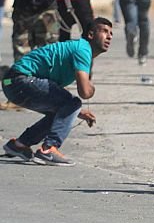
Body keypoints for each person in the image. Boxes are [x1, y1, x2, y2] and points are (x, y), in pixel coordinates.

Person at [2, 18, 113, 166]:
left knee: (63, 109)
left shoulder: (80, 49)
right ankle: (48, 149)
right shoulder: (83, 49)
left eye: (111, 33)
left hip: (12, 83)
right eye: (104, 31)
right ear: (91, 34)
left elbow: (55, 92)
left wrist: (76, 111)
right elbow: (85, 92)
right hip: (20, 80)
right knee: (73, 102)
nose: (110, 36)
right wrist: (91, 90)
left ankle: (19, 145)